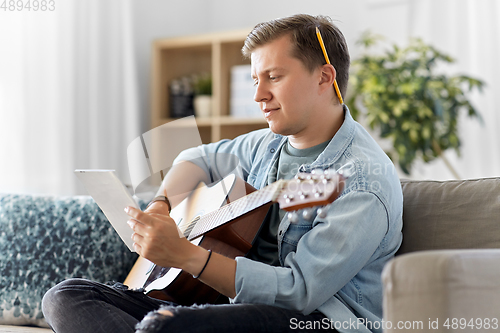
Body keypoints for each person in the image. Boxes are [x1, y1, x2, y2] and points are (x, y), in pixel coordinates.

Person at [42, 14, 403, 333]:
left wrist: (184, 255)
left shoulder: (361, 181)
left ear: (324, 77)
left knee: (165, 326)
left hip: (313, 320)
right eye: (255, 79)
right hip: (232, 306)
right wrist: (160, 206)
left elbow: (298, 293)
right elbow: (195, 157)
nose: (259, 95)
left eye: (273, 77)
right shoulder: (268, 144)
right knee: (66, 296)